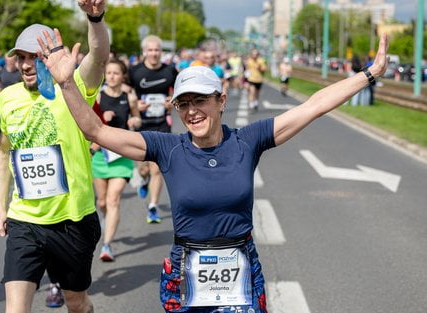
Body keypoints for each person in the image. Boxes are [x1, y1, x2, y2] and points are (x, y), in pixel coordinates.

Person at [39, 28, 389, 313]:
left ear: (221, 101)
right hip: (186, 268)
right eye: (184, 104)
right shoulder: (167, 148)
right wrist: (67, 84)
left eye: (200, 100)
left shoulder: (247, 140)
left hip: (241, 265)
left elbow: (313, 106)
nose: (192, 111)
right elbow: (95, 131)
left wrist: (369, 74)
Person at [0, 0, 109, 312]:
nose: (27, 65)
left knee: (76, 302)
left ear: (50, 57)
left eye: (35, 57)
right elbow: (1, 154)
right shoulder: (6, 98)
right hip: (25, 219)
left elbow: (98, 58)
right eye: (21, 58)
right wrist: (1, 209)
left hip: (73, 220)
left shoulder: (72, 86)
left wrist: (95, 18)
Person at [91, 59, 141, 261]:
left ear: (122, 76)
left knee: (113, 200)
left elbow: (137, 118)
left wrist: (133, 120)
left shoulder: (128, 97)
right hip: (101, 155)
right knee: (102, 201)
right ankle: (106, 217)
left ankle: (107, 245)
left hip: (121, 155)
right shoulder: (98, 96)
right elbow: (87, 123)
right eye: (108, 73)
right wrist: (103, 119)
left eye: (115, 73)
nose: (111, 76)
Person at [128, 35, 177, 224]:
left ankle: (153, 206)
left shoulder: (170, 71)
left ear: (161, 52)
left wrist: (172, 102)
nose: (154, 53)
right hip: (142, 125)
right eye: (150, 50)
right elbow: (126, 91)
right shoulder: (135, 71)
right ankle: (144, 178)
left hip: (162, 124)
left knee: (158, 169)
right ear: (144, 52)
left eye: (157, 50)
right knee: (144, 169)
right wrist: (135, 106)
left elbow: (179, 93)